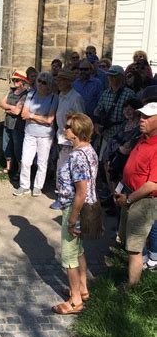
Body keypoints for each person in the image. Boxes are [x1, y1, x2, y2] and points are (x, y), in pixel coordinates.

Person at [52, 113, 99, 314]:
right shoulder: (88, 150)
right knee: (78, 250)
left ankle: (75, 300)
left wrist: (72, 218)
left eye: (69, 127)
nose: (65, 129)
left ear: (78, 131)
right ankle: (83, 288)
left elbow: (81, 190)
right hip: (82, 206)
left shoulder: (78, 156)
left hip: (75, 208)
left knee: (69, 255)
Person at [114, 102, 157, 286]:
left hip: (143, 201)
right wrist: (119, 191)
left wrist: (129, 199)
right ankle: (137, 269)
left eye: (147, 117)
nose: (142, 120)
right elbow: (131, 168)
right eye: (141, 116)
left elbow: (152, 184)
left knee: (134, 247)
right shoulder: (142, 138)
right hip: (129, 195)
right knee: (125, 238)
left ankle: (132, 286)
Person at [12, 71, 58, 197]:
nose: (41, 84)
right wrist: (40, 118)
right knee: (26, 161)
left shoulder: (54, 97)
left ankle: (38, 186)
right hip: (30, 133)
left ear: (49, 84)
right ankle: (24, 185)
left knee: (42, 162)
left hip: (45, 135)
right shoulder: (31, 95)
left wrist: (32, 116)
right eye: (39, 81)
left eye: (44, 82)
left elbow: (49, 120)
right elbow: (23, 114)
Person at [49, 69, 86, 209]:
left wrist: (75, 140)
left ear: (68, 82)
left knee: (67, 169)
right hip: (61, 136)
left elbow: (81, 119)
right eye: (57, 80)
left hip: (71, 140)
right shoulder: (61, 95)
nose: (57, 83)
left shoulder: (75, 97)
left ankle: (66, 198)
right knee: (62, 167)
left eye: (60, 80)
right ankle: (63, 196)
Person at [94, 65, 134, 160]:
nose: (111, 78)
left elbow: (134, 115)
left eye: (114, 76)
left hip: (122, 135)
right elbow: (97, 110)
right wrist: (98, 122)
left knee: (116, 162)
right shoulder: (105, 93)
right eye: (109, 76)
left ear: (121, 77)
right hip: (106, 133)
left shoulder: (129, 93)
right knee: (103, 161)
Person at [0, 69, 30, 176]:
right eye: (14, 80)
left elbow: (17, 111)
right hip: (7, 123)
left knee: (18, 148)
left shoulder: (26, 94)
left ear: (23, 82)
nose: (15, 82)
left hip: (18, 125)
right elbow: (2, 103)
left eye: (17, 80)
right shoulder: (11, 91)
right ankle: (8, 167)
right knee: (6, 146)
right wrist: (11, 108)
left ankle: (20, 170)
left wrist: (8, 109)